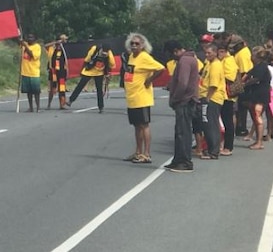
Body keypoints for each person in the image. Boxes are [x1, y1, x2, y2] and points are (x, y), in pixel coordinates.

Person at [123, 33, 165, 164]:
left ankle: (146, 154)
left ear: (143, 45)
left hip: (142, 97)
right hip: (132, 97)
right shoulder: (131, 57)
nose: (134, 46)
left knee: (144, 125)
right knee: (136, 126)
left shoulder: (145, 57)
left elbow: (160, 68)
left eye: (137, 44)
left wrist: (149, 80)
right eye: (132, 43)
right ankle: (138, 152)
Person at [165, 40, 199, 172]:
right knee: (180, 131)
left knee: (183, 132)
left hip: (185, 101)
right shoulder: (189, 59)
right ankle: (178, 159)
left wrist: (175, 98)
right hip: (186, 100)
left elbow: (183, 83)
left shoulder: (184, 61)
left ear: (175, 51)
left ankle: (185, 162)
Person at [198, 43, 226, 160]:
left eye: (210, 53)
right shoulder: (208, 64)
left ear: (215, 53)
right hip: (206, 96)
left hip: (212, 98)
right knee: (207, 124)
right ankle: (211, 149)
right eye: (206, 52)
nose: (207, 55)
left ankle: (213, 151)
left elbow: (213, 85)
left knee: (210, 125)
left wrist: (207, 98)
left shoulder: (215, 65)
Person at [69, 42, 115, 112]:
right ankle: (70, 100)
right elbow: (87, 59)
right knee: (80, 86)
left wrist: (107, 58)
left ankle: (101, 107)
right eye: (104, 50)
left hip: (99, 72)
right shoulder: (95, 49)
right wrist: (82, 70)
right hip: (89, 70)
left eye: (106, 51)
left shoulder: (109, 53)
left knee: (99, 90)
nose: (104, 52)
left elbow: (112, 64)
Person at [243, 46, 272, 149]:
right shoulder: (256, 66)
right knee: (255, 117)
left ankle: (259, 142)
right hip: (255, 95)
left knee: (258, 117)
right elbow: (248, 74)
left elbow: (255, 79)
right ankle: (257, 141)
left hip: (261, 96)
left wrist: (245, 84)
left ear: (257, 56)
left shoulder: (262, 67)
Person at [217, 42, 239, 156]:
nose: (219, 54)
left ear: (226, 52)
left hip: (227, 96)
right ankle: (221, 144)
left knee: (228, 122)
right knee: (221, 122)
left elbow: (230, 76)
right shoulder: (221, 61)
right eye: (218, 51)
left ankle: (228, 147)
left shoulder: (229, 60)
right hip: (221, 95)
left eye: (221, 51)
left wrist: (217, 74)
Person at [19, 33, 42, 112]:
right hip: (25, 72)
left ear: (35, 39)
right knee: (28, 92)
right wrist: (21, 42)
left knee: (36, 92)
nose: (30, 39)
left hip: (34, 73)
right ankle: (31, 107)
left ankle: (38, 107)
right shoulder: (24, 46)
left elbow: (32, 56)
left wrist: (26, 46)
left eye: (31, 37)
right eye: (28, 37)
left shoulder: (37, 47)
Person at [45, 34, 69, 109]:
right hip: (53, 71)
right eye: (62, 39)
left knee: (62, 89)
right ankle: (49, 104)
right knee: (52, 88)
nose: (63, 41)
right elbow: (45, 46)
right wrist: (55, 42)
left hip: (62, 71)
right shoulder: (52, 48)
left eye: (64, 40)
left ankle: (61, 105)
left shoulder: (65, 49)